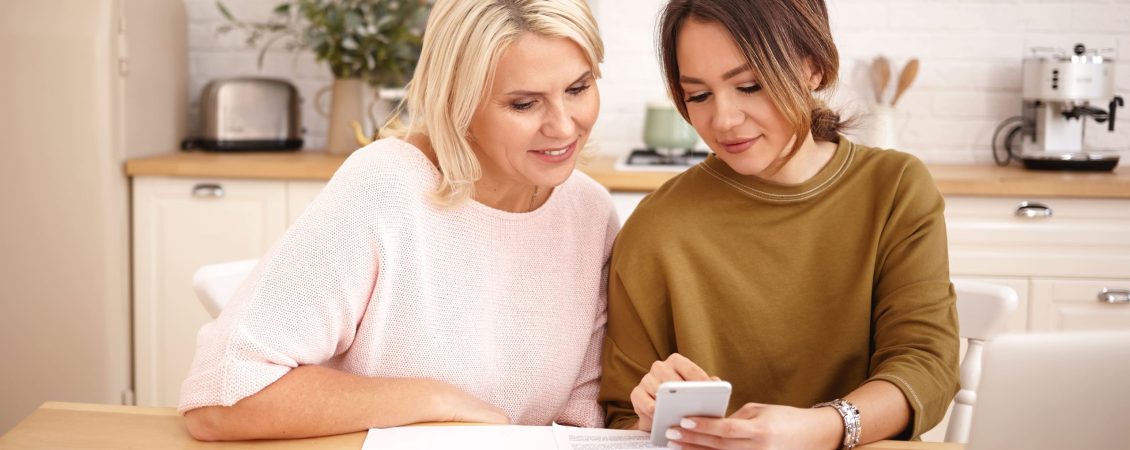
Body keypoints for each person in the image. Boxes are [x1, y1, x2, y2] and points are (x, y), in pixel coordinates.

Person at [180, 0, 618, 441]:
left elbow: (582, 417)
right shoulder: (385, 188)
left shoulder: (588, 212)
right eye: (524, 104)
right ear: (457, 103)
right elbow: (221, 398)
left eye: (578, 89)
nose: (564, 127)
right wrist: (434, 401)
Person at [598, 0, 959, 448]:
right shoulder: (655, 228)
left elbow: (925, 366)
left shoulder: (894, 189)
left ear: (812, 67)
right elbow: (618, 421)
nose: (723, 120)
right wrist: (650, 411)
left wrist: (824, 427)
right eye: (699, 95)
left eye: (749, 85)